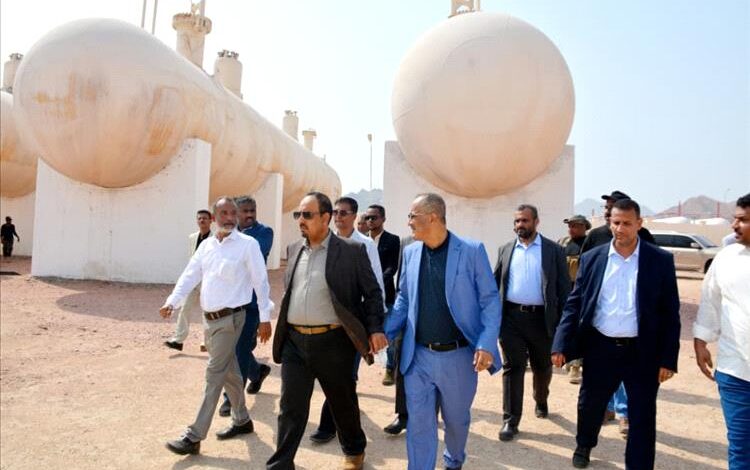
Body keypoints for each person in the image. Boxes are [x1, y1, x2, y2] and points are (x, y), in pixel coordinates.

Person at [551, 198, 681, 469]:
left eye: (627, 224)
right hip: (601, 347)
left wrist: (668, 359)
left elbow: (670, 313)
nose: (620, 229)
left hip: (642, 351)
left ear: (639, 224)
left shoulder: (659, 260)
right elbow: (575, 303)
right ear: (609, 223)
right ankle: (584, 444)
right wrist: (560, 343)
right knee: (590, 404)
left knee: (642, 414)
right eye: (616, 223)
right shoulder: (593, 259)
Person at [266, 191, 386, 470]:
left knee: (341, 400)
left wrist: (375, 328)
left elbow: (372, 293)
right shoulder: (294, 249)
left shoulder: (351, 251)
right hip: (295, 342)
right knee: (290, 407)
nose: (301, 220)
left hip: (333, 342)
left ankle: (354, 450)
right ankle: (281, 464)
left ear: (325, 217)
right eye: (298, 214)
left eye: (307, 215)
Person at [385, 193, 501, 470]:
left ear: (433, 217)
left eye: (413, 216)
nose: (408, 222)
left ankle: (454, 459)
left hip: (458, 357)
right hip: (418, 356)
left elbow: (490, 300)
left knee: (456, 422)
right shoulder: (410, 252)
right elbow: (404, 298)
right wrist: (384, 331)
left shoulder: (471, 251)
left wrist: (486, 343)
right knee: (419, 425)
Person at [159, 196, 274, 455]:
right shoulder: (207, 246)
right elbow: (190, 274)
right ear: (214, 218)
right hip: (209, 320)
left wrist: (265, 318)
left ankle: (194, 435)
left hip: (232, 319)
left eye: (233, 213)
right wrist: (172, 301)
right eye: (224, 213)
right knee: (230, 372)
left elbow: (261, 281)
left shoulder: (248, 245)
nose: (230, 218)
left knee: (214, 374)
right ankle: (242, 420)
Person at [308, 196, 385, 444]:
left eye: (343, 213)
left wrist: (374, 326)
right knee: (336, 374)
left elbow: (375, 285)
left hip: (353, 322)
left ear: (354, 216)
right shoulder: (323, 242)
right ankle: (346, 425)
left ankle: (330, 426)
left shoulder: (364, 245)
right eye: (335, 212)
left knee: (345, 374)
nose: (338, 217)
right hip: (326, 321)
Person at [580, 190, 654, 435]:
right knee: (600, 377)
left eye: (611, 206)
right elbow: (585, 269)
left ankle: (624, 413)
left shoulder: (645, 238)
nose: (619, 226)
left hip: (633, 325)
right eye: (608, 210)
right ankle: (607, 408)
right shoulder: (596, 236)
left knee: (627, 374)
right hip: (602, 325)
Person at [494, 204, 570, 441]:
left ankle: (541, 398)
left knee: (542, 367)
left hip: (542, 320)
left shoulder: (554, 251)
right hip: (511, 319)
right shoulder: (505, 249)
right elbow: (496, 284)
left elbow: (564, 290)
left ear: (536, 222)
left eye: (525, 220)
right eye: (517, 221)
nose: (520, 225)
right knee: (513, 367)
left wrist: (563, 327)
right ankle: (510, 420)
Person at [693, 193, 750, 470]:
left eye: (743, 220)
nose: (734, 225)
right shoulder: (726, 258)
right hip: (735, 371)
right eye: (734, 219)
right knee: (741, 449)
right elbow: (710, 301)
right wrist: (701, 340)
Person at [218, 196, 274, 417]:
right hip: (228, 301)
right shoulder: (225, 234)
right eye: (244, 211)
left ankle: (231, 398)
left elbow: (251, 254)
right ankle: (257, 371)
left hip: (251, 304)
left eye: (253, 210)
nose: (249, 214)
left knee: (239, 349)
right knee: (232, 348)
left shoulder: (264, 233)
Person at [164, 210, 212, 352]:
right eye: (199, 218)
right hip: (193, 280)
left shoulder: (215, 238)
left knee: (208, 311)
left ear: (211, 221)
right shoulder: (192, 237)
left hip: (208, 280)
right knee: (185, 308)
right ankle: (178, 340)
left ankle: (207, 342)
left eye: (205, 218)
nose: (202, 220)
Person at [366, 204, 402, 386]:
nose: (370, 221)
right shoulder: (361, 240)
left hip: (385, 294)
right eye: (367, 217)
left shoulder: (393, 240)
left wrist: (376, 283)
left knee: (389, 332)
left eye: (374, 217)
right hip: (363, 296)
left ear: (383, 219)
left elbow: (392, 267)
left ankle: (390, 368)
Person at [558, 214, 591, 384]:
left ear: (585, 227)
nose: (571, 229)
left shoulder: (589, 243)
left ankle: (576, 366)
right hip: (565, 292)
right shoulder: (563, 243)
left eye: (576, 226)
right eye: (570, 226)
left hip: (583, 292)